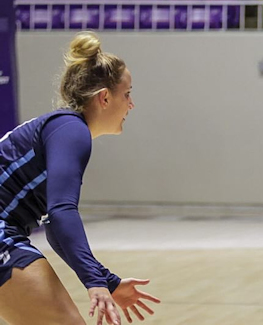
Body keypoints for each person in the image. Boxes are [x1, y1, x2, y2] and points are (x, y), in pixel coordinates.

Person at [0, 32, 160, 325]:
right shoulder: (71, 131)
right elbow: (62, 212)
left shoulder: (63, 130)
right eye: (127, 94)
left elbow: (54, 225)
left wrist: (105, 279)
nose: (131, 104)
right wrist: (95, 283)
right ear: (104, 97)